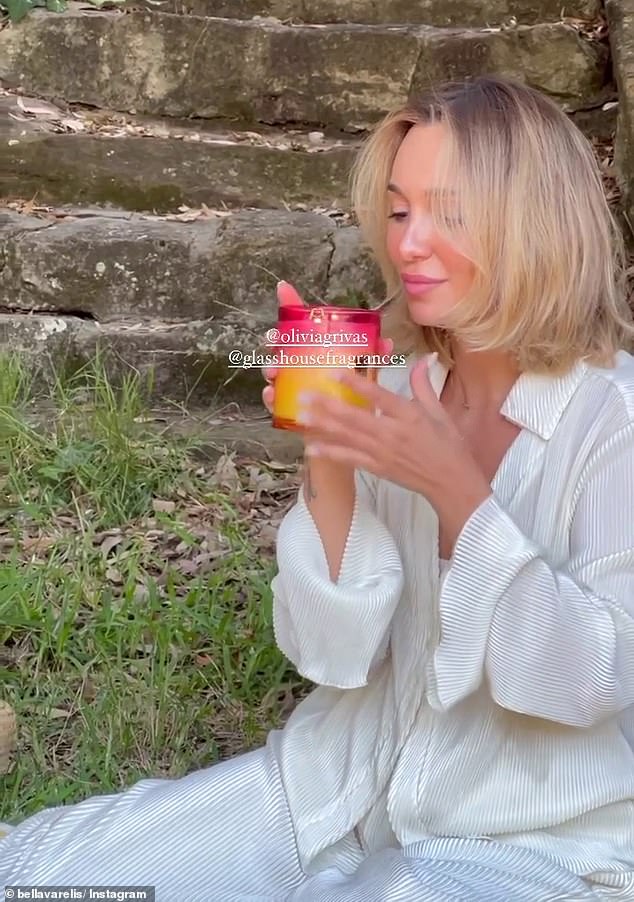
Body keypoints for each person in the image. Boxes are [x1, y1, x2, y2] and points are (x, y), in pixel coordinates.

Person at [1, 75, 634, 901]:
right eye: (401, 210)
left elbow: (593, 679)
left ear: (535, 225)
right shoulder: (402, 391)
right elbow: (339, 653)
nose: (408, 243)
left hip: (532, 838)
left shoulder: (611, 418)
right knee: (38, 875)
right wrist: (329, 458)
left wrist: (454, 493)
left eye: (450, 213)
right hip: (338, 782)